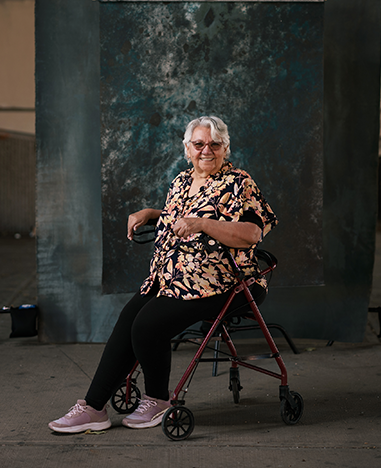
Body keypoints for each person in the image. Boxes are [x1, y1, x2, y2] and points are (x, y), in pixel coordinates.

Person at [49, 115, 277, 433]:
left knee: (147, 325)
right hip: (169, 276)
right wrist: (151, 214)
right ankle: (93, 407)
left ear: (226, 148)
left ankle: (157, 400)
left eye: (214, 144)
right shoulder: (182, 181)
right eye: (199, 144)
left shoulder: (239, 183)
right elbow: (178, 218)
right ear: (187, 148)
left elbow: (252, 233)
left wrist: (202, 223)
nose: (206, 150)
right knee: (128, 320)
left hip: (223, 281)